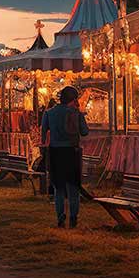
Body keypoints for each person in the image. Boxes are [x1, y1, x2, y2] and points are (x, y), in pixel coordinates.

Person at [42, 86, 89, 229]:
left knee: (59, 188)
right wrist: (80, 114)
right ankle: (73, 218)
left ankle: (60, 217)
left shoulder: (49, 113)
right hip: (71, 153)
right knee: (73, 188)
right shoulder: (76, 113)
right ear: (74, 99)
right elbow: (85, 132)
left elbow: (44, 132)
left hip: (56, 152)